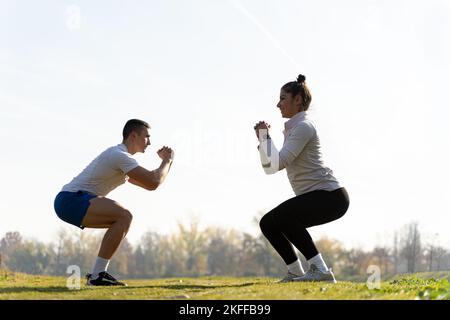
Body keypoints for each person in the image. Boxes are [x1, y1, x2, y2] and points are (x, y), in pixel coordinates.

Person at [54, 119, 174, 286]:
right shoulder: (119, 156)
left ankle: (97, 275)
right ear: (133, 136)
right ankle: (97, 276)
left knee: (123, 219)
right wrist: (167, 160)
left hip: (69, 202)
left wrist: (166, 163)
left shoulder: (121, 159)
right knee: (124, 216)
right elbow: (153, 181)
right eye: (146, 137)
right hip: (71, 199)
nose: (150, 142)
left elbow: (151, 183)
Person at [254, 74, 349, 283]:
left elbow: (279, 163)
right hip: (318, 197)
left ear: (297, 100)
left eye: (282, 98)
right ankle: (296, 271)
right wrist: (263, 139)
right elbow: (270, 168)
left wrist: (265, 137)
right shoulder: (294, 129)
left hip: (331, 196)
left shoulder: (304, 127)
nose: (278, 104)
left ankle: (321, 270)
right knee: (269, 223)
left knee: (284, 217)